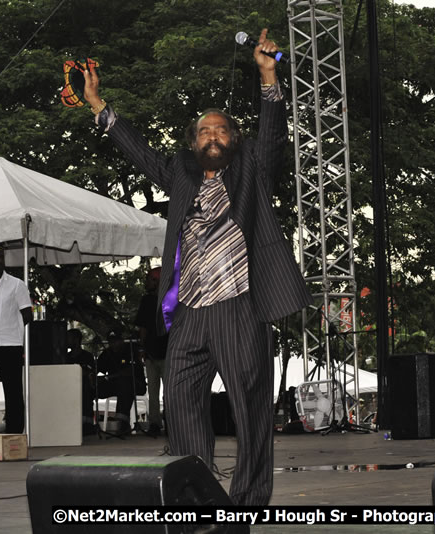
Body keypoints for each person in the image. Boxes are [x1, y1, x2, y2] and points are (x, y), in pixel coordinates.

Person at [84, 28, 312, 506]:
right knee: (181, 404)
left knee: (250, 413)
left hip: (239, 309)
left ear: (233, 140)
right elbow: (141, 152)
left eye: (221, 130)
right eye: (204, 131)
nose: (212, 136)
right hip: (188, 311)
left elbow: (271, 137)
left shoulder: (250, 169)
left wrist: (268, 77)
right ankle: (200, 502)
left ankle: (247, 505)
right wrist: (99, 107)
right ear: (194, 143)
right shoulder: (181, 176)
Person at [0, 243, 32, 434]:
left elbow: (28, 315)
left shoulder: (16, 284)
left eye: (2, 257)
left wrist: (13, 329)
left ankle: (15, 433)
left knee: (13, 392)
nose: (0, 261)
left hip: (10, 345)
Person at [134, 267, 168, 436]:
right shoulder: (147, 300)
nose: (146, 282)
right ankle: (155, 423)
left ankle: (171, 422)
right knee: (153, 392)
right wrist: (142, 348)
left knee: (170, 392)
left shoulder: (170, 298)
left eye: (148, 279)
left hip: (168, 352)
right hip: (151, 353)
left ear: (156, 281)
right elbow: (143, 327)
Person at [95, 332, 137, 433]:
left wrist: (108, 377)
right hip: (113, 385)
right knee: (91, 386)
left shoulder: (129, 351)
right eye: (111, 342)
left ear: (121, 340)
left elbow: (128, 372)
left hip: (131, 385)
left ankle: (122, 422)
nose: (113, 344)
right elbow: (97, 368)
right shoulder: (107, 353)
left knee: (125, 384)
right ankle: (87, 423)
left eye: (115, 341)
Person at [66, 328, 97, 432]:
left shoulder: (87, 356)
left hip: (84, 388)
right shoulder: (66, 357)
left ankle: (86, 424)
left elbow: (90, 372)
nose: (66, 341)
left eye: (69, 338)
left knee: (85, 387)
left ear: (76, 340)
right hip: (68, 386)